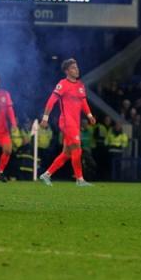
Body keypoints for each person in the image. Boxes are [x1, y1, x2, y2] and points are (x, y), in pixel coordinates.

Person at [39, 58, 96, 186]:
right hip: (66, 121)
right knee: (77, 148)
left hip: (75, 123)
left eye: (76, 67)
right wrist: (45, 118)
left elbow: (83, 102)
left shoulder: (80, 85)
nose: (76, 70)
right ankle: (80, 179)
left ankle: (46, 174)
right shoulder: (62, 84)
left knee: (67, 153)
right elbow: (51, 100)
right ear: (67, 71)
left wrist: (89, 115)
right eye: (73, 68)